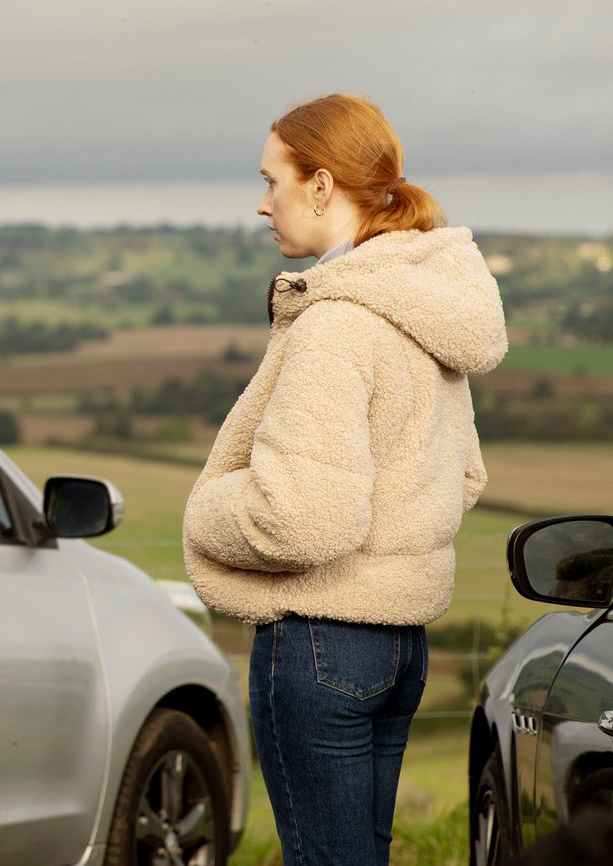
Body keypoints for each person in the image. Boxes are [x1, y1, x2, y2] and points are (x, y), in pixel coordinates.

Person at [182, 94, 507, 865]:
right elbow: (464, 475)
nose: (263, 205)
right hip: (401, 645)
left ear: (322, 184)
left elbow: (304, 519)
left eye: (273, 181)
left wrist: (207, 509)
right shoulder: (424, 307)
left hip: (321, 641)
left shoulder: (336, 322)